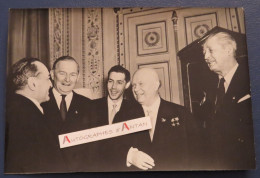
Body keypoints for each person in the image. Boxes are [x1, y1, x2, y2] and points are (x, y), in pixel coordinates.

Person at [126, 68, 200, 171]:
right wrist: (129, 155)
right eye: (134, 85)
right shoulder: (126, 116)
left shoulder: (182, 113)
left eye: (141, 84)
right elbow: (115, 147)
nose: (136, 89)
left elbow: (197, 152)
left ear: (156, 85)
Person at [200, 32, 255, 169]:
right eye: (204, 52)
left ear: (228, 50)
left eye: (211, 50)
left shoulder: (250, 78)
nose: (206, 57)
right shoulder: (211, 88)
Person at [5, 58, 66, 173]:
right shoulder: (25, 115)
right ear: (33, 83)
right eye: (48, 79)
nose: (51, 85)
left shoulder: (16, 108)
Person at [41, 56, 93, 172]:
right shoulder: (40, 101)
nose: (67, 79)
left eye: (73, 74)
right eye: (62, 73)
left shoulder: (88, 105)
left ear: (78, 77)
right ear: (52, 74)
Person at [89, 65, 143, 171]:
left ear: (127, 85)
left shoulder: (136, 110)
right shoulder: (91, 107)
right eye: (110, 81)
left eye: (119, 82)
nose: (113, 87)